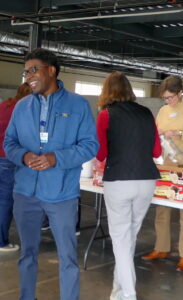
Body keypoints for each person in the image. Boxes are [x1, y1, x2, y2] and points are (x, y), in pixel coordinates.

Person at [4, 48, 99, 300]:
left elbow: (90, 145)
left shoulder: (77, 105)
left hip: (62, 194)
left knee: (67, 257)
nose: (28, 77)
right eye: (26, 72)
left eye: (33, 70)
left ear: (52, 70)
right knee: (27, 254)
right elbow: (9, 143)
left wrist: (56, 159)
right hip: (25, 192)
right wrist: (24, 157)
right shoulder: (22, 107)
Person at [96, 71, 161, 300]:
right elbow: (157, 151)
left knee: (122, 239)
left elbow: (101, 154)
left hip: (119, 181)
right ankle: (118, 291)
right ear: (129, 89)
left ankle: (129, 294)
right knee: (129, 237)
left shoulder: (106, 115)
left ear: (106, 90)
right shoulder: (146, 113)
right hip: (146, 181)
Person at [142, 75, 183, 271]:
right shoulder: (162, 110)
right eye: (165, 98)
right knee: (162, 206)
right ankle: (161, 247)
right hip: (167, 162)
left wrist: (180, 133)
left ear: (180, 93)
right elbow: (156, 131)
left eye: (171, 97)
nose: (168, 101)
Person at [0, 82, 31, 252]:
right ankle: (1, 241)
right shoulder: (24, 110)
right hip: (8, 159)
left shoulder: (4, 105)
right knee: (5, 202)